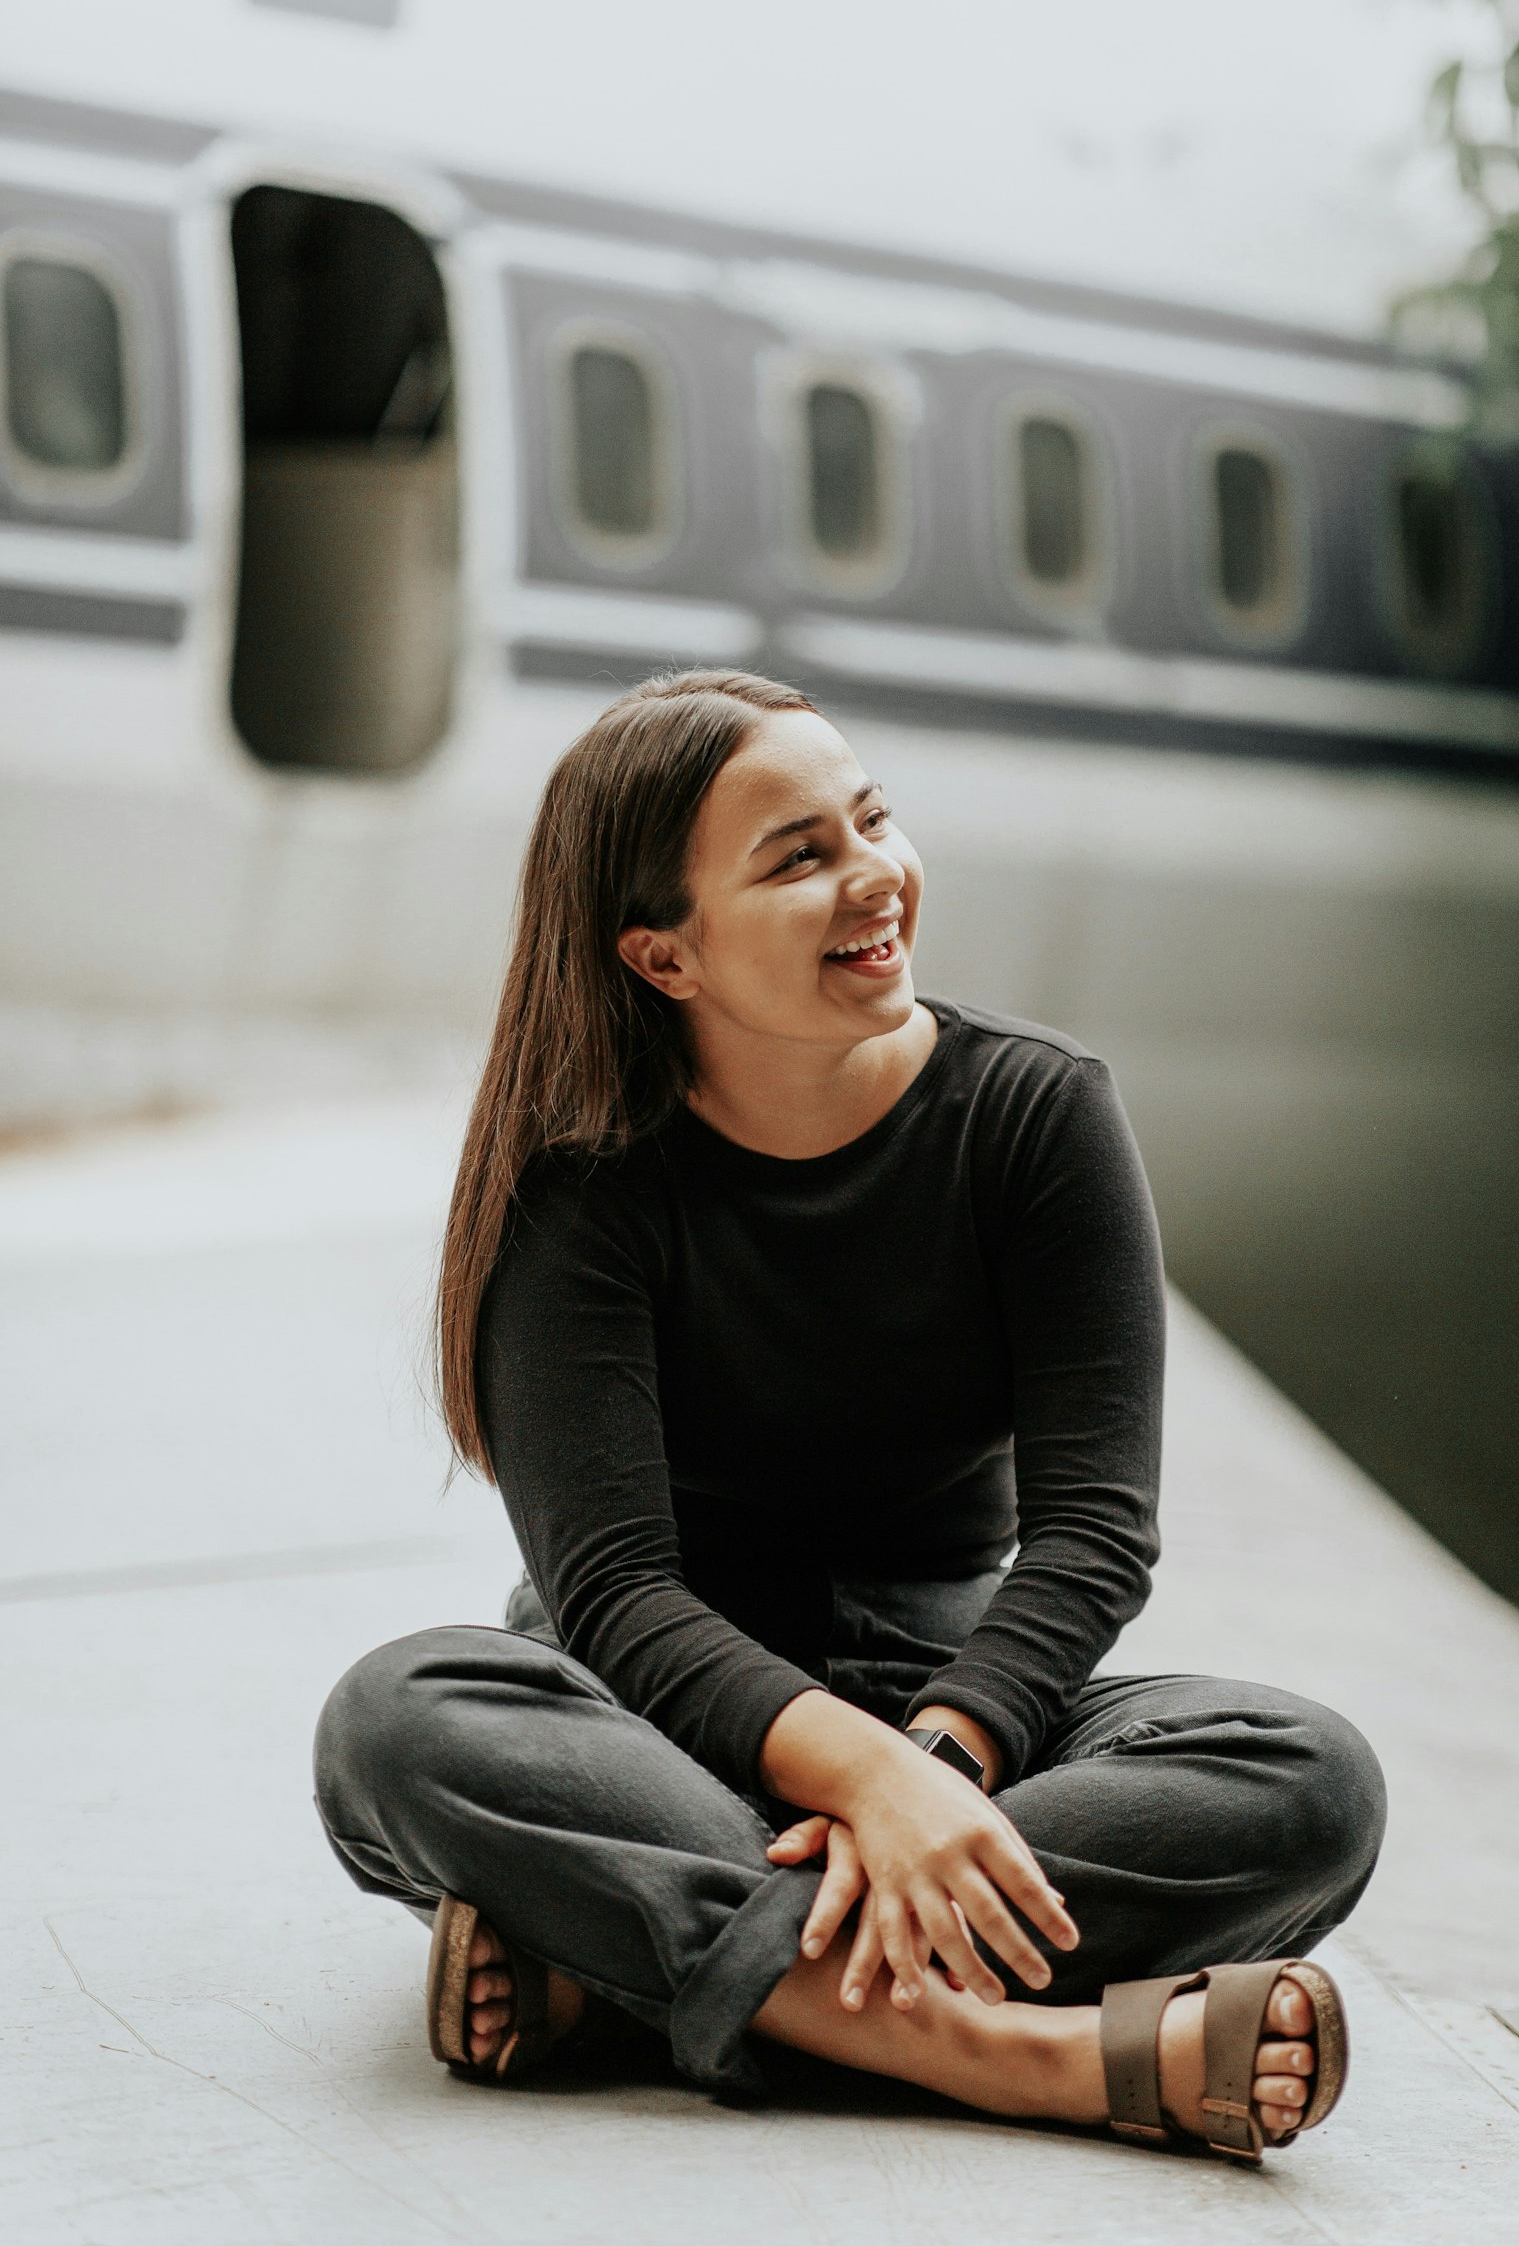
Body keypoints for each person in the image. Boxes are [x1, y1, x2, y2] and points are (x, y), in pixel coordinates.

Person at [314, 669, 1385, 2162]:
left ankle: (632, 1970)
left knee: (1308, 1782)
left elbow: (1091, 1538)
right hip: (659, 1720)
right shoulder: (582, 1183)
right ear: (662, 956)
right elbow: (616, 1595)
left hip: (971, 1717)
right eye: (797, 856)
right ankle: (1025, 2058)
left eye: (868, 819)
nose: (872, 875)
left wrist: (931, 1769)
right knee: (400, 1722)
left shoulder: (1038, 1117)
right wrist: (858, 1784)